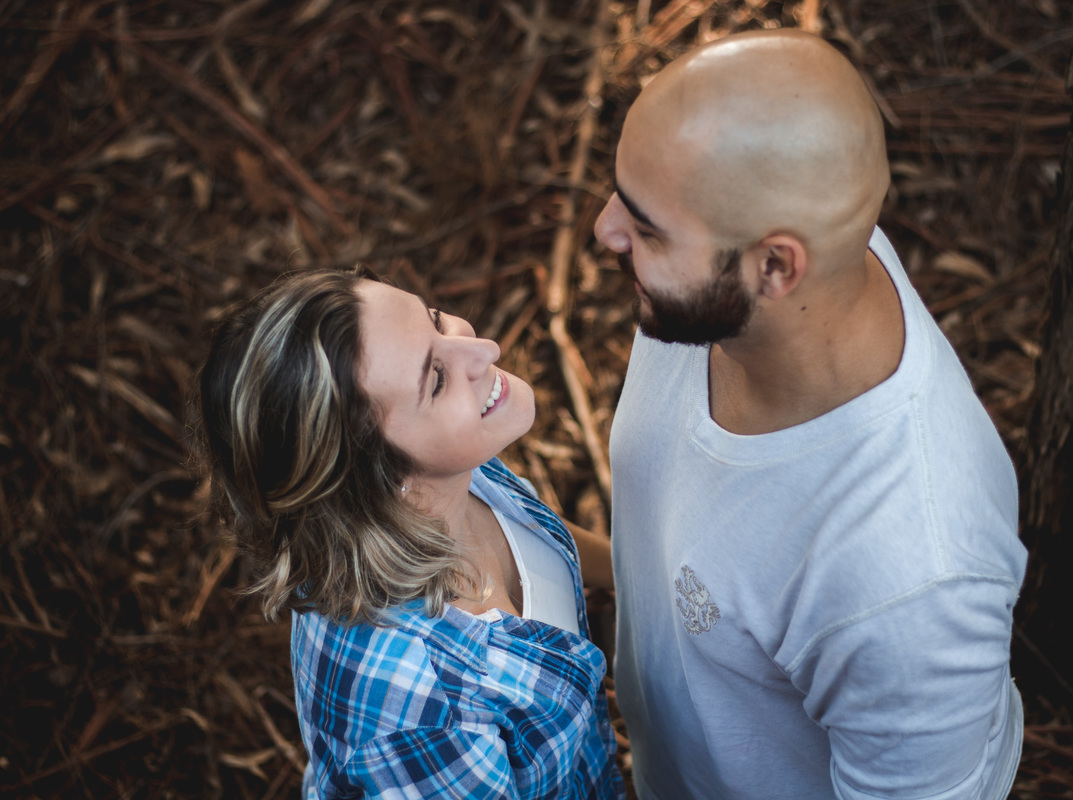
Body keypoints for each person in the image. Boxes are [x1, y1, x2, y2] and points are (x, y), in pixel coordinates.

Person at [593, 30, 1027, 800]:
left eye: (647, 228)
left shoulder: (907, 581)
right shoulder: (758, 281)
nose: (606, 232)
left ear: (775, 266)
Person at [195, 266, 624, 799]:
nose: (483, 348)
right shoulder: (425, 712)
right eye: (437, 379)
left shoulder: (453, 469)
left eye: (437, 319)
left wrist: (636, 577)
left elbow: (537, 532)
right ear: (380, 482)